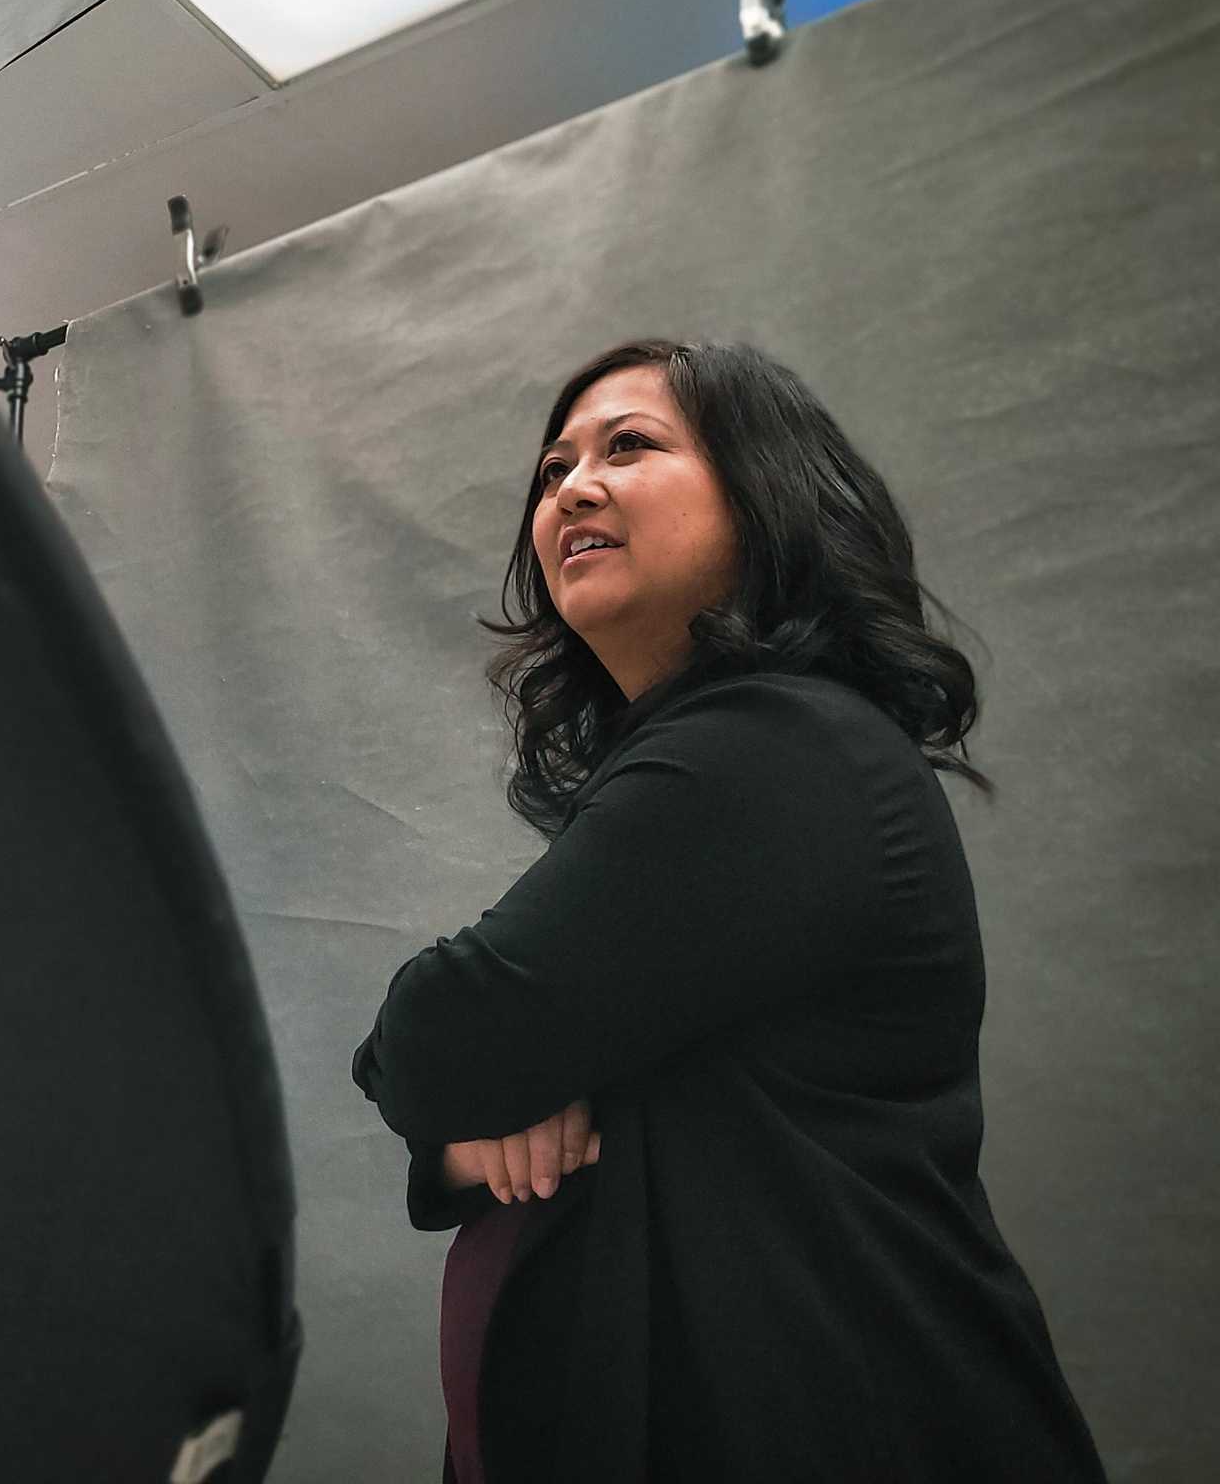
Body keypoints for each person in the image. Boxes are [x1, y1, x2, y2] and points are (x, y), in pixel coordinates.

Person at [351, 338, 1106, 1484]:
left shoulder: (772, 748)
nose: (571, 488)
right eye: (553, 468)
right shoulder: (719, 758)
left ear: (767, 499)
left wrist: (478, 1082)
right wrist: (476, 1119)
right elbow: (465, 1062)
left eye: (629, 447)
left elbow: (435, 1036)